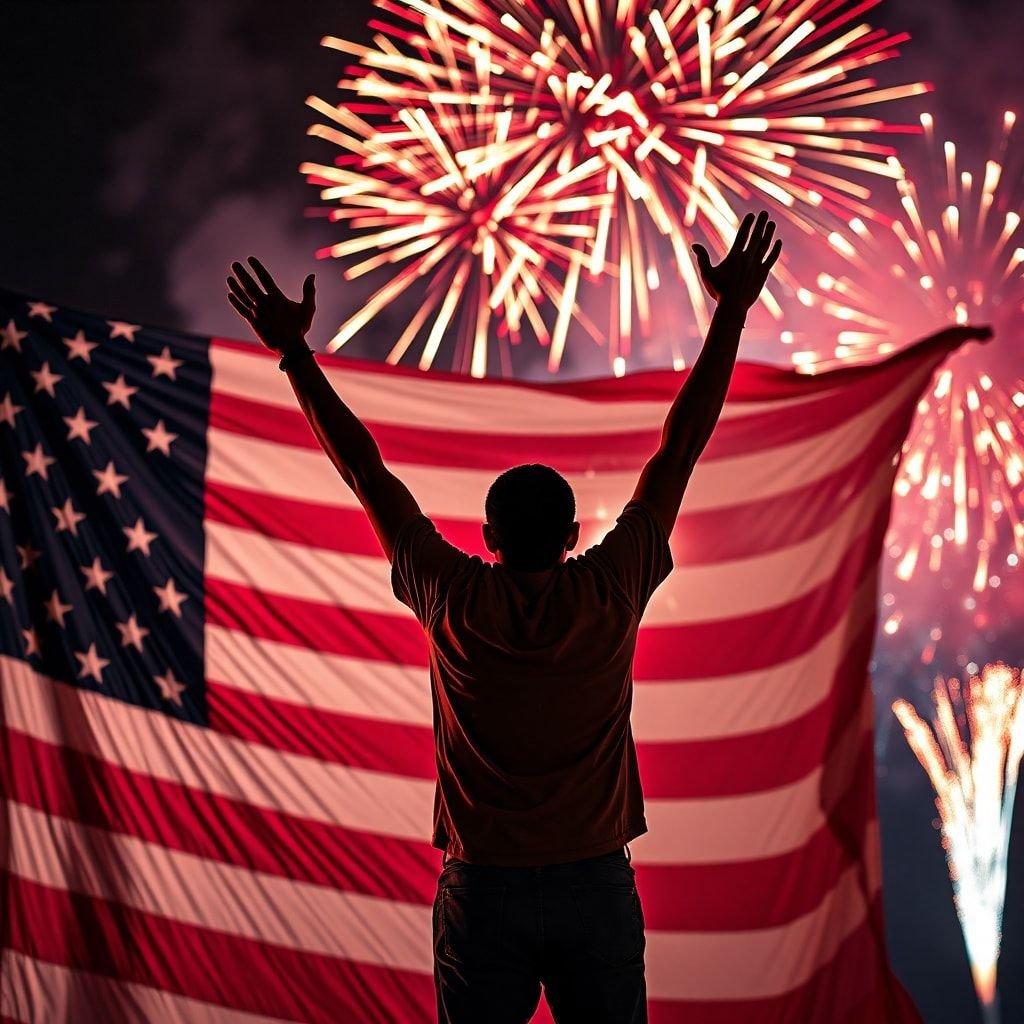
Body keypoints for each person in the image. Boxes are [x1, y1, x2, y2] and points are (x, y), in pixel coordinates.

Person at [227, 211, 782, 1023]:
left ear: (488, 538)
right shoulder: (610, 588)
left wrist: (294, 354)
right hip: (594, 881)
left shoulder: (453, 598)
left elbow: (366, 472)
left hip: (481, 887)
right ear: (572, 536)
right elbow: (680, 446)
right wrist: (730, 311)